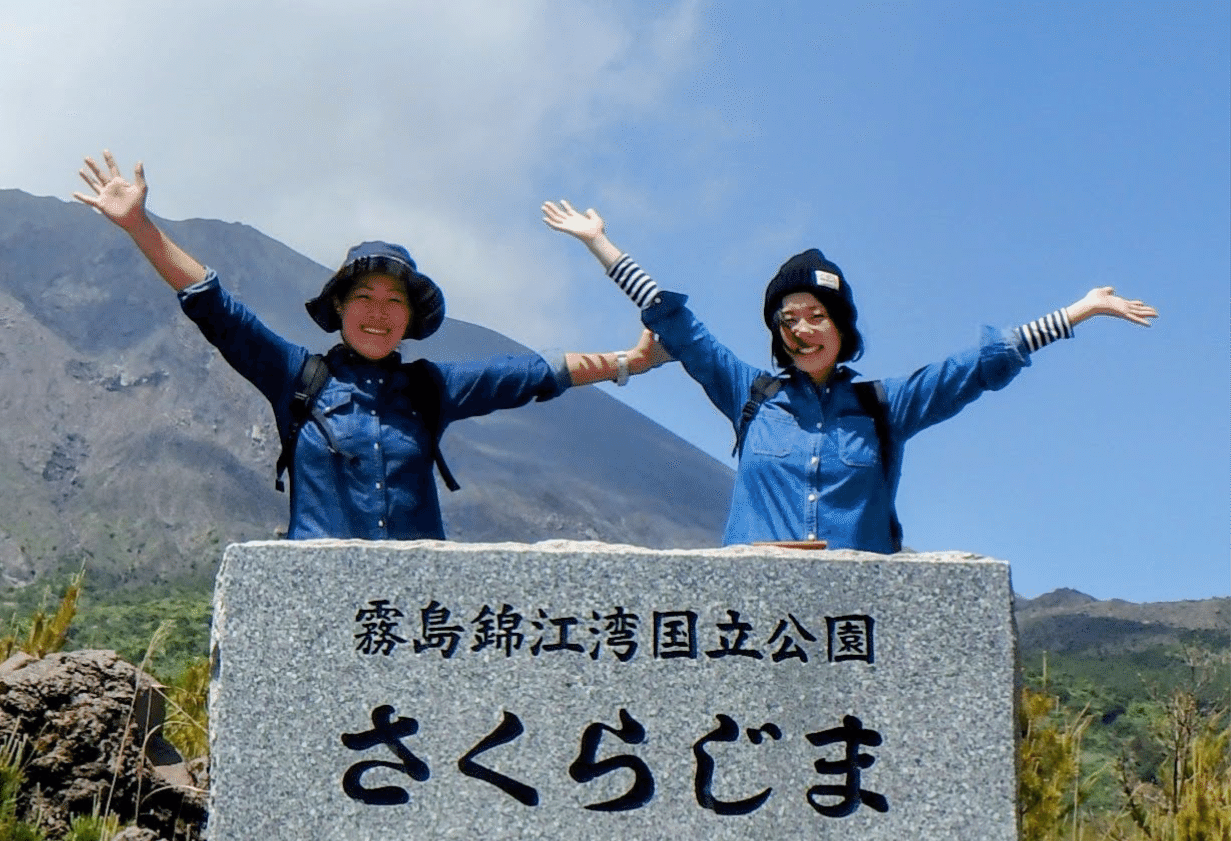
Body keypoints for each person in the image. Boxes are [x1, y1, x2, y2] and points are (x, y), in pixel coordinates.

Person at [74, 150, 666, 541]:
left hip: (414, 609)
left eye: (394, 302)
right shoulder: (295, 377)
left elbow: (533, 373)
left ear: (410, 319)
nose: (378, 313)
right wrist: (140, 228)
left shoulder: (431, 388)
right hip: (317, 595)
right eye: (364, 297)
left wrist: (629, 363)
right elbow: (215, 307)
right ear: (338, 306)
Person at [542, 199, 1158, 553]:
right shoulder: (750, 395)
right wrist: (602, 244)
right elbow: (679, 327)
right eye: (789, 320)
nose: (803, 330)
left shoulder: (886, 407)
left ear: (841, 326)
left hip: (853, 627)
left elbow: (979, 367)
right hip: (756, 620)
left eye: (817, 316)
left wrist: (1078, 310)